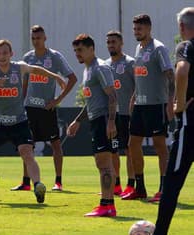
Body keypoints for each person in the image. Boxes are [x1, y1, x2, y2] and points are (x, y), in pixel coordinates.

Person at [0, 39, 65, 203]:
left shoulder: (18, 67)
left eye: (5, 53)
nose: (2, 56)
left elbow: (36, 70)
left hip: (19, 123)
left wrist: (54, 75)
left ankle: (37, 186)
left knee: (27, 154)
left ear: (11, 54)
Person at [11, 25, 77, 192]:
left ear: (45, 38)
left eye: (38, 38)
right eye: (33, 38)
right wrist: (21, 102)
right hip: (29, 108)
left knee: (55, 144)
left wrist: (57, 100)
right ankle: (26, 182)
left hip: (47, 109)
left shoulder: (54, 57)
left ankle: (58, 181)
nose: (36, 41)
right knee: (26, 145)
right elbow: (24, 82)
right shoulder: (28, 57)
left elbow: (72, 78)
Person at [149, 7, 194, 235]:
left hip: (190, 127)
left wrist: (180, 103)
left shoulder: (186, 46)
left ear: (181, 27)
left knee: (172, 183)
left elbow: (182, 70)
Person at [121, 14, 175, 202]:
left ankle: (164, 189)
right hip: (140, 105)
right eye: (135, 29)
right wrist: (134, 97)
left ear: (149, 28)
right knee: (132, 144)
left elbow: (170, 76)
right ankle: (140, 188)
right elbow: (140, 76)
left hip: (156, 105)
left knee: (160, 146)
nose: (136, 32)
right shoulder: (138, 48)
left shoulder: (158, 49)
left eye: (139, 29)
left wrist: (170, 101)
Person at [67, 34, 118, 217]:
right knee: (102, 163)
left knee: (104, 164)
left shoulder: (100, 68)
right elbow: (90, 102)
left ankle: (107, 205)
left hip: (104, 119)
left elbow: (112, 96)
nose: (77, 54)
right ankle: (108, 204)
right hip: (96, 119)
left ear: (91, 49)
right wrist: (77, 121)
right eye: (75, 51)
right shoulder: (87, 69)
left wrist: (111, 122)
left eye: (80, 50)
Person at [104, 30, 136, 197]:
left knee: (129, 150)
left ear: (121, 43)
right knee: (113, 151)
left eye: (114, 42)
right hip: (112, 116)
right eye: (108, 42)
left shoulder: (130, 63)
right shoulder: (105, 65)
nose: (111, 45)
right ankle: (116, 185)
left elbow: (139, 86)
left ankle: (131, 184)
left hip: (127, 114)